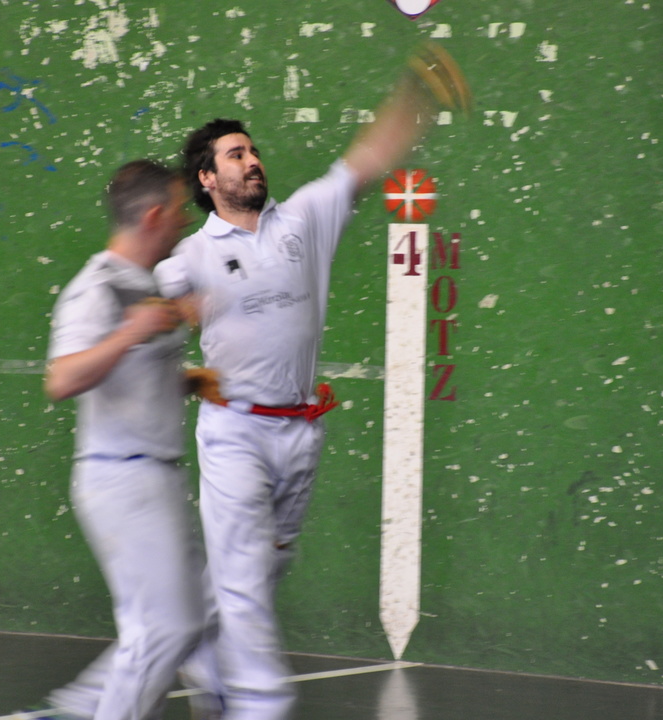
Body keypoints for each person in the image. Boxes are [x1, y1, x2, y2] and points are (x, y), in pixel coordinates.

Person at [153, 45, 469, 720]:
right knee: (243, 575)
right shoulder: (190, 256)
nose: (252, 160)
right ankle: (260, 703)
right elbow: (155, 332)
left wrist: (416, 92)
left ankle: (197, 648)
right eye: (235, 154)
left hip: (300, 430)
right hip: (235, 430)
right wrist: (178, 365)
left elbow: (367, 158)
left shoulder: (304, 218)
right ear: (207, 178)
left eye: (253, 150)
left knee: (266, 563)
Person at [39, 159, 210, 720]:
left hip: (158, 476)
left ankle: (78, 709)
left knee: (181, 624)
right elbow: (62, 379)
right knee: (166, 628)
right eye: (180, 209)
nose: (185, 220)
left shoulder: (145, 284)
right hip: (121, 477)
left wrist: (191, 381)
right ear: (155, 216)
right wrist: (131, 332)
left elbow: (133, 377)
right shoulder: (95, 288)